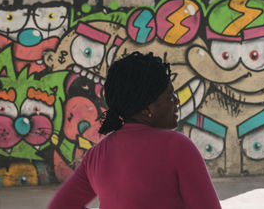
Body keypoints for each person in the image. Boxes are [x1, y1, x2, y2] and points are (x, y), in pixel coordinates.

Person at [48, 52, 221, 209]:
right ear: (146, 109)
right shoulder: (178, 147)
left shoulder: (96, 155)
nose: (176, 102)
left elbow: (60, 205)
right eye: (169, 96)